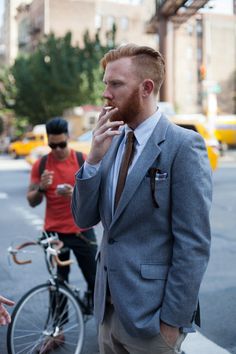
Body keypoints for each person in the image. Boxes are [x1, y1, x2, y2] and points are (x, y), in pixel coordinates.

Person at [71, 44, 212, 354]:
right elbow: (83, 219)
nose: (106, 93)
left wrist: (170, 325)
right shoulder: (111, 140)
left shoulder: (182, 146)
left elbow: (193, 244)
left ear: (146, 88)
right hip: (107, 315)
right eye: (105, 83)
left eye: (116, 84)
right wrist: (93, 160)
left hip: (152, 323)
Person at [27, 117, 97, 306]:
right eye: (52, 145)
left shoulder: (82, 160)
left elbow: (95, 197)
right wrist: (41, 188)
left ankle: (99, 316)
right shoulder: (41, 165)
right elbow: (32, 201)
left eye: (61, 144)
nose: (57, 149)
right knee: (58, 284)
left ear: (68, 137)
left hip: (82, 231)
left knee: (96, 279)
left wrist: (75, 193)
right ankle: (59, 331)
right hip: (54, 233)